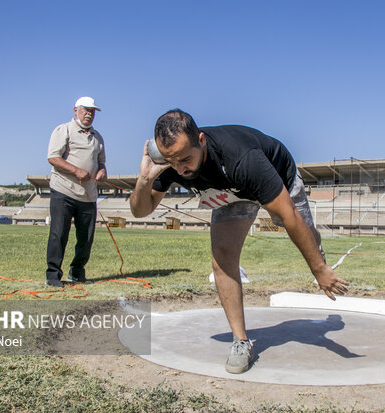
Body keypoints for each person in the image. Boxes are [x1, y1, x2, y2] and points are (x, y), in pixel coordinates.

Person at [129, 109, 349, 374]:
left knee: (300, 229)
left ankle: (317, 253)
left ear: (201, 140)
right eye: (172, 162)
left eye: (186, 159)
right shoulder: (171, 160)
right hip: (229, 191)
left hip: (275, 177)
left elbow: (288, 217)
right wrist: (144, 179)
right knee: (222, 256)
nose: (181, 169)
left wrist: (318, 269)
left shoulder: (242, 158)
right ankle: (240, 341)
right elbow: (140, 211)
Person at [45, 97, 107, 287]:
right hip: (63, 190)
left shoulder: (98, 137)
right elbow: (53, 157)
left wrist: (103, 171)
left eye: (92, 111)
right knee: (59, 233)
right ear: (75, 110)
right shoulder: (63, 129)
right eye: (85, 110)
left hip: (88, 196)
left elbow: (101, 162)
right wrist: (76, 170)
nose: (89, 114)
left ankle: (77, 272)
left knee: (86, 238)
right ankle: (53, 276)